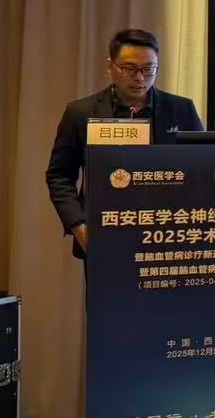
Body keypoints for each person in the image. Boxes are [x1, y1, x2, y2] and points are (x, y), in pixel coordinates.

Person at [46, 28, 203, 256]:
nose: (139, 78)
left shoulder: (181, 109)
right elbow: (59, 175)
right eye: (129, 68)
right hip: (104, 233)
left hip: (169, 234)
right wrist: (78, 225)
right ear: (110, 66)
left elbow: (201, 168)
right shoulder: (81, 112)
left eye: (148, 69)